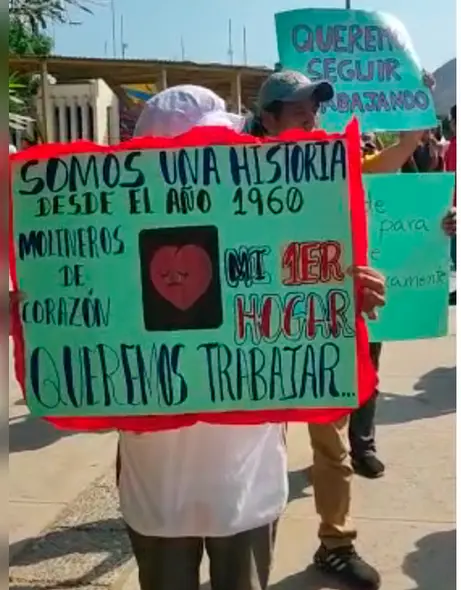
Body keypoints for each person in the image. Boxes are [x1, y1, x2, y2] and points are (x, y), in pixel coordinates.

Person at [118, 85, 386, 590]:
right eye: (191, 155)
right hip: (157, 493)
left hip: (246, 482)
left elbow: (306, 297)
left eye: (218, 151)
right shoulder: (112, 239)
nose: (212, 164)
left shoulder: (265, 224)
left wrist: (347, 297)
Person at [248, 69, 427, 588]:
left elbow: (382, 166)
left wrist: (412, 137)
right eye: (298, 106)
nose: (311, 114)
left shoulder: (333, 163)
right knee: (255, 454)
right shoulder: (236, 174)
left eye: (315, 106)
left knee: (331, 446)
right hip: (255, 332)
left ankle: (336, 543)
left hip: (318, 328)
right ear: (269, 118)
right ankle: (247, 552)